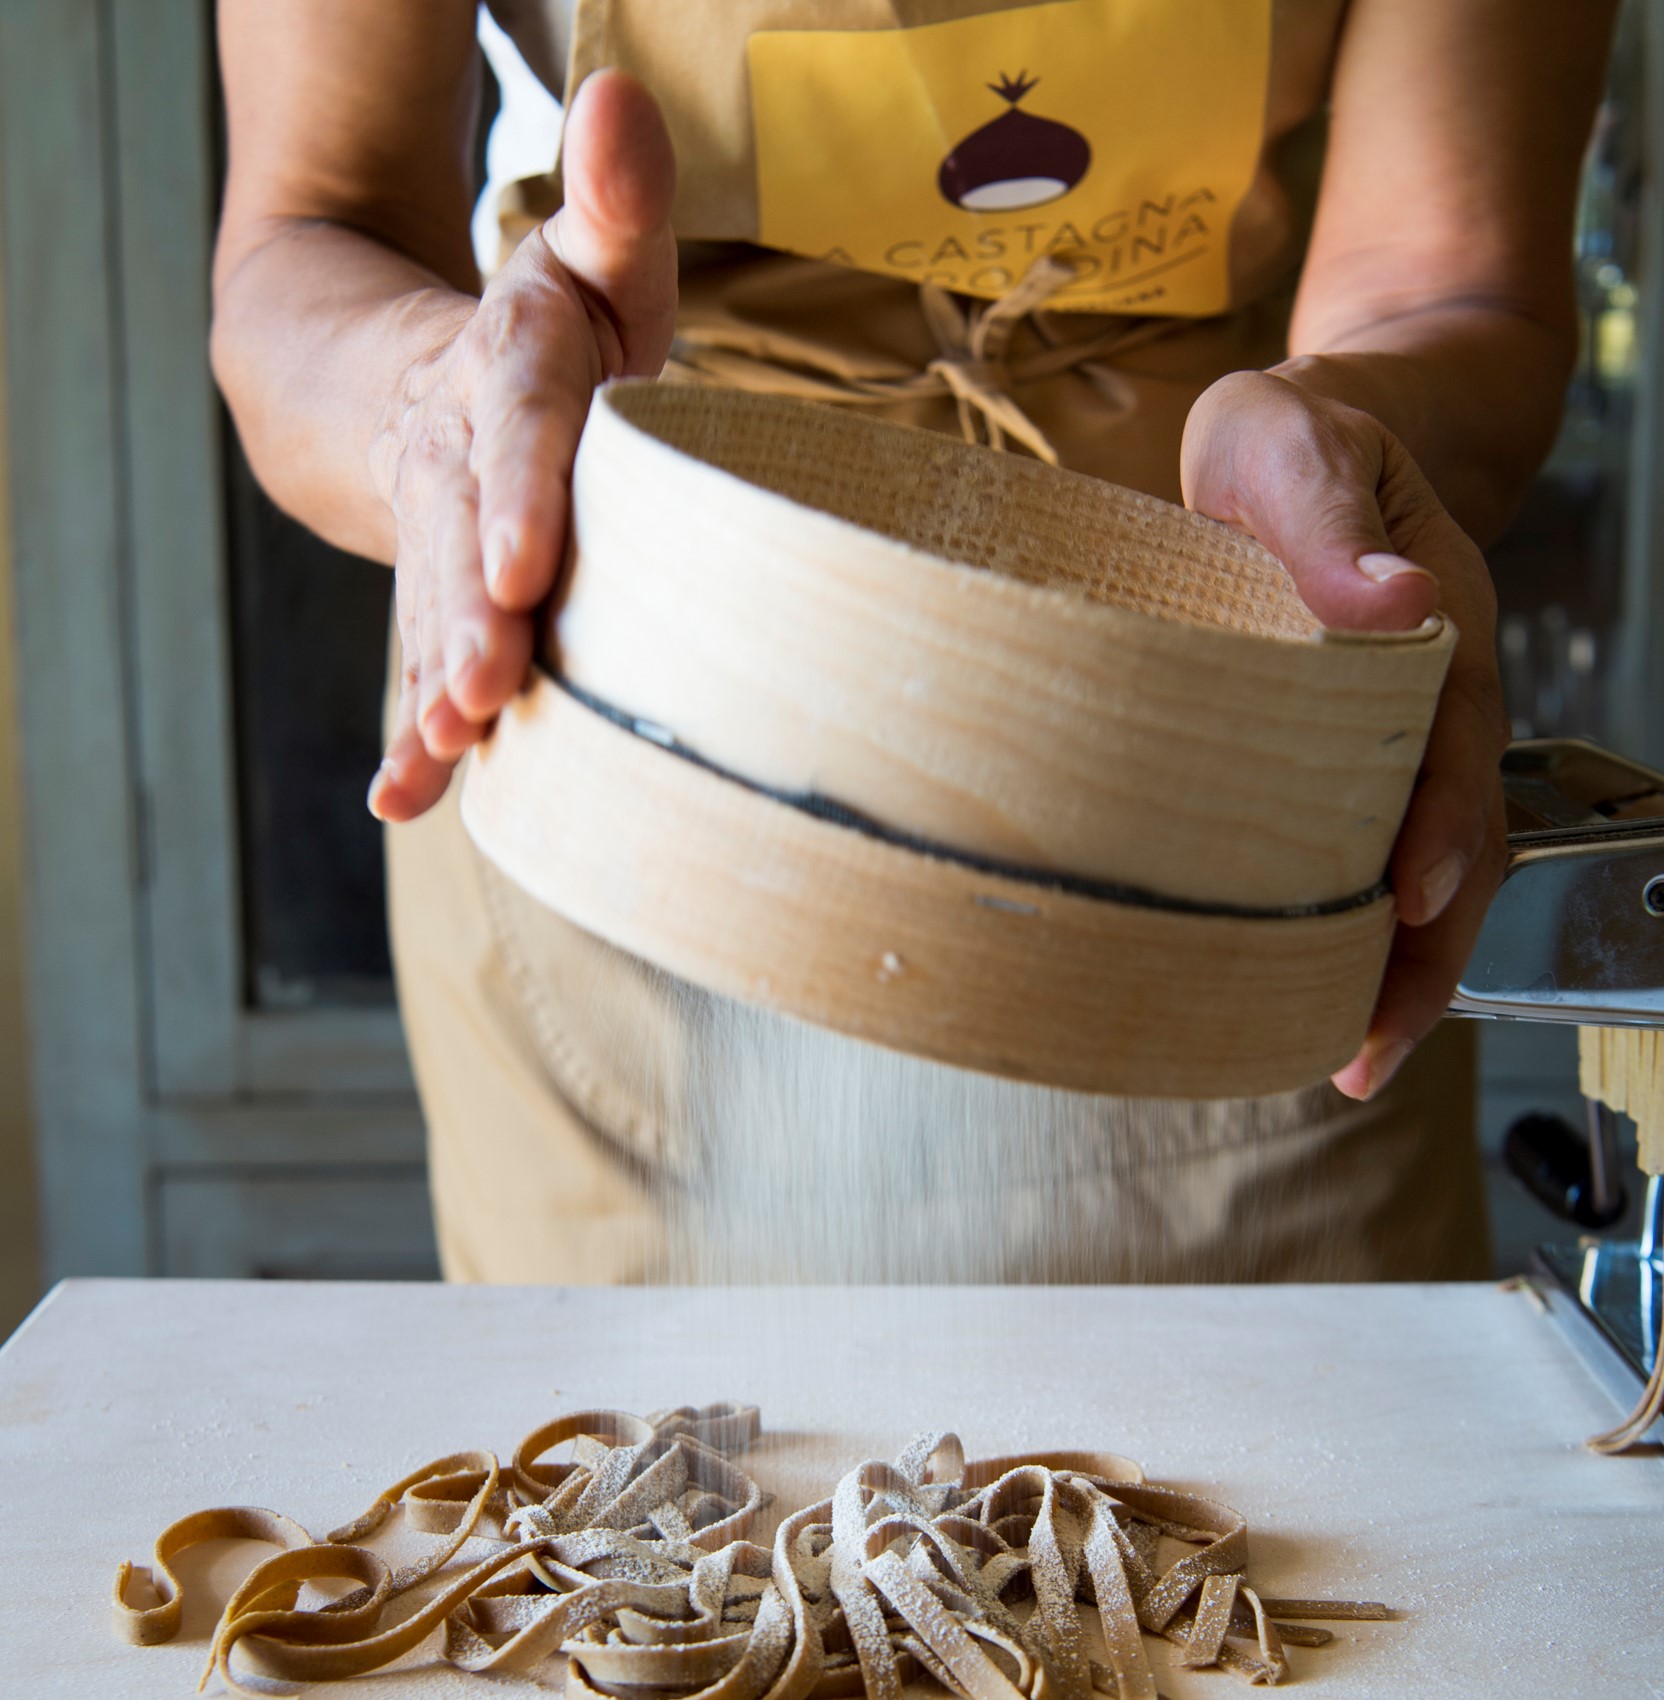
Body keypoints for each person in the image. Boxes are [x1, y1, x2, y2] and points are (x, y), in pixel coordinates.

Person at [212, 0, 1618, 1286]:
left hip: (1218, 776)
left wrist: (1350, 461)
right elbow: (309, 231)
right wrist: (439, 406)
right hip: (644, 736)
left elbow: (1449, 282)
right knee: (650, 1542)